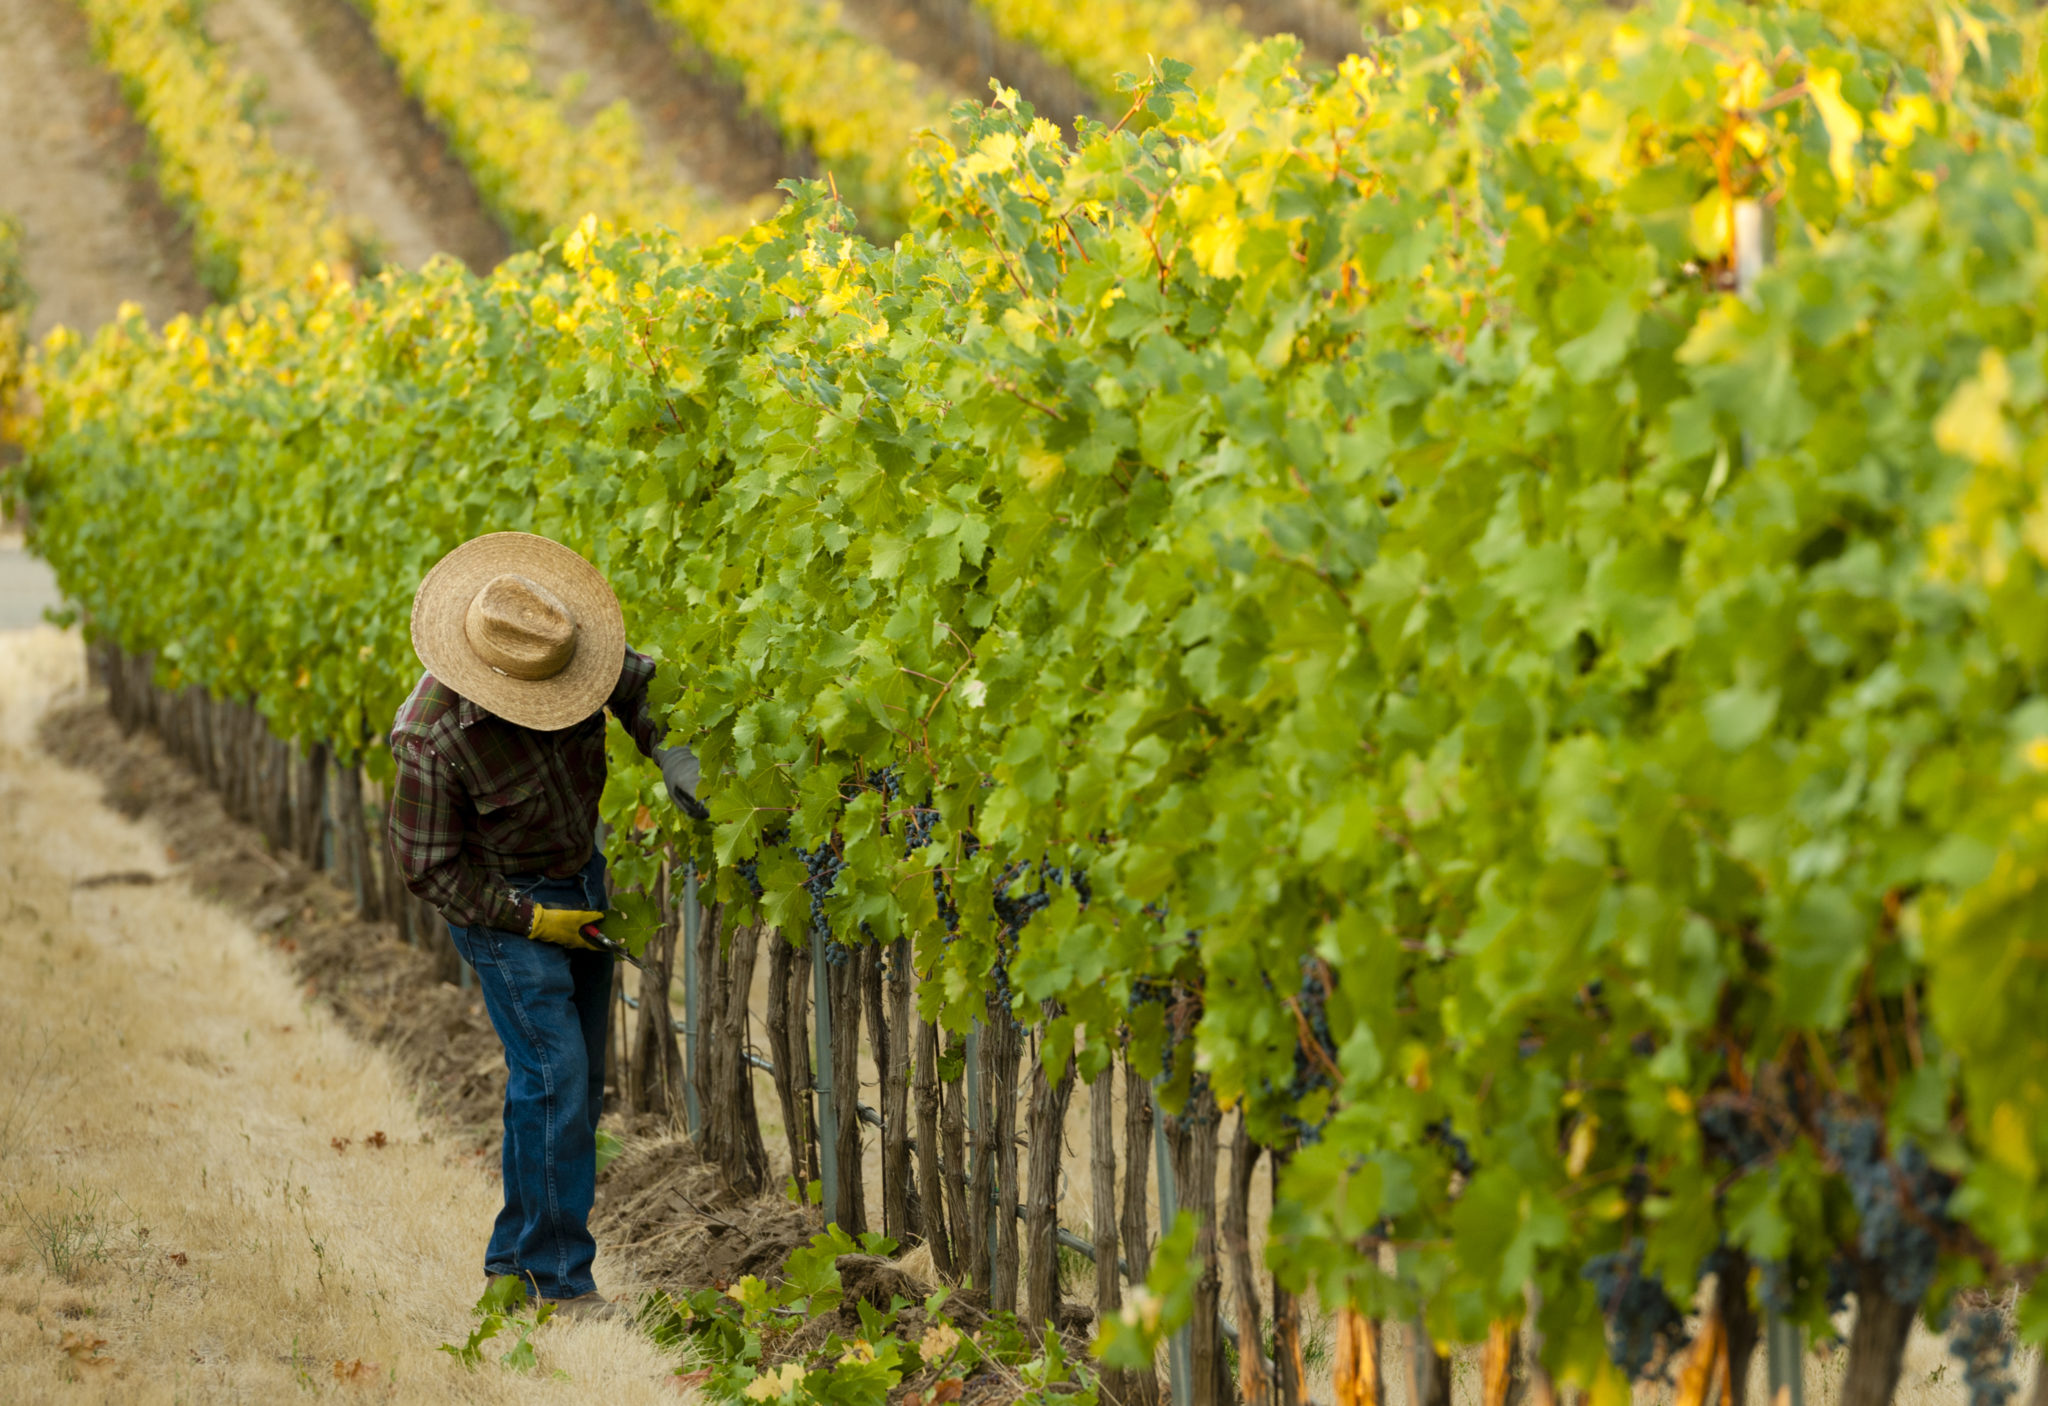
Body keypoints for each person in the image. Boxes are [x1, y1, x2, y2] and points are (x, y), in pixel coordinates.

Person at [387, 531, 706, 1317]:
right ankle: (554, 1280)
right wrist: (531, 920)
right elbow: (428, 867)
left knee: (577, 1083)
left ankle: (517, 1262)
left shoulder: (569, 650)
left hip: (580, 875)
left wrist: (676, 754)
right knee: (553, 1074)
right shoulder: (431, 735)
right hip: (498, 902)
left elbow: (643, 690)